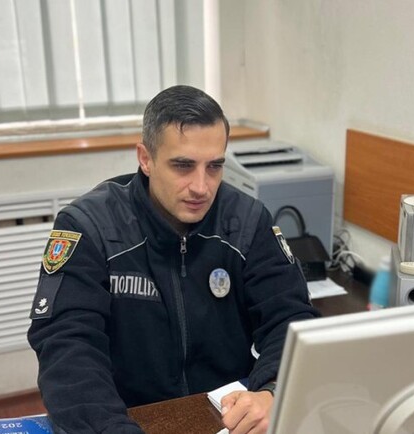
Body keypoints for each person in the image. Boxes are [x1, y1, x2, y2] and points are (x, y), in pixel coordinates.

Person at [27, 85, 319, 434]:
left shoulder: (248, 221)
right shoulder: (89, 226)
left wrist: (274, 390)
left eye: (215, 166)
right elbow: (67, 347)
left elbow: (290, 319)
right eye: (183, 165)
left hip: (227, 416)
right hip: (127, 417)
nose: (201, 187)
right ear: (145, 159)